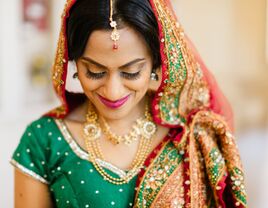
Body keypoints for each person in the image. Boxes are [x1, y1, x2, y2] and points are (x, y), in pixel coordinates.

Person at [11, 0, 247, 207]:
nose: (113, 92)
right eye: (94, 71)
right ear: (72, 62)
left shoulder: (190, 134)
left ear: (157, 62)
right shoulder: (45, 140)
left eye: (132, 72)